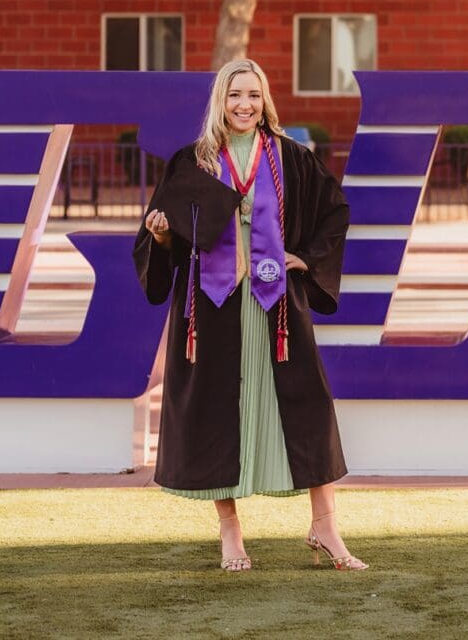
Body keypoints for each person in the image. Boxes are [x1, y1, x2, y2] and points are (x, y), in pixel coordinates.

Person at [133, 57, 364, 572]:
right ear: (221, 100)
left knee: (307, 407)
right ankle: (230, 530)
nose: (245, 105)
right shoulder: (192, 162)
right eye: (235, 94)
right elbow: (165, 236)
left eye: (254, 95)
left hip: (276, 305)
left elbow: (335, 211)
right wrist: (163, 235)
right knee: (218, 411)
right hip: (213, 307)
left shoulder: (290, 157)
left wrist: (305, 258)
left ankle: (325, 526)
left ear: (265, 101)